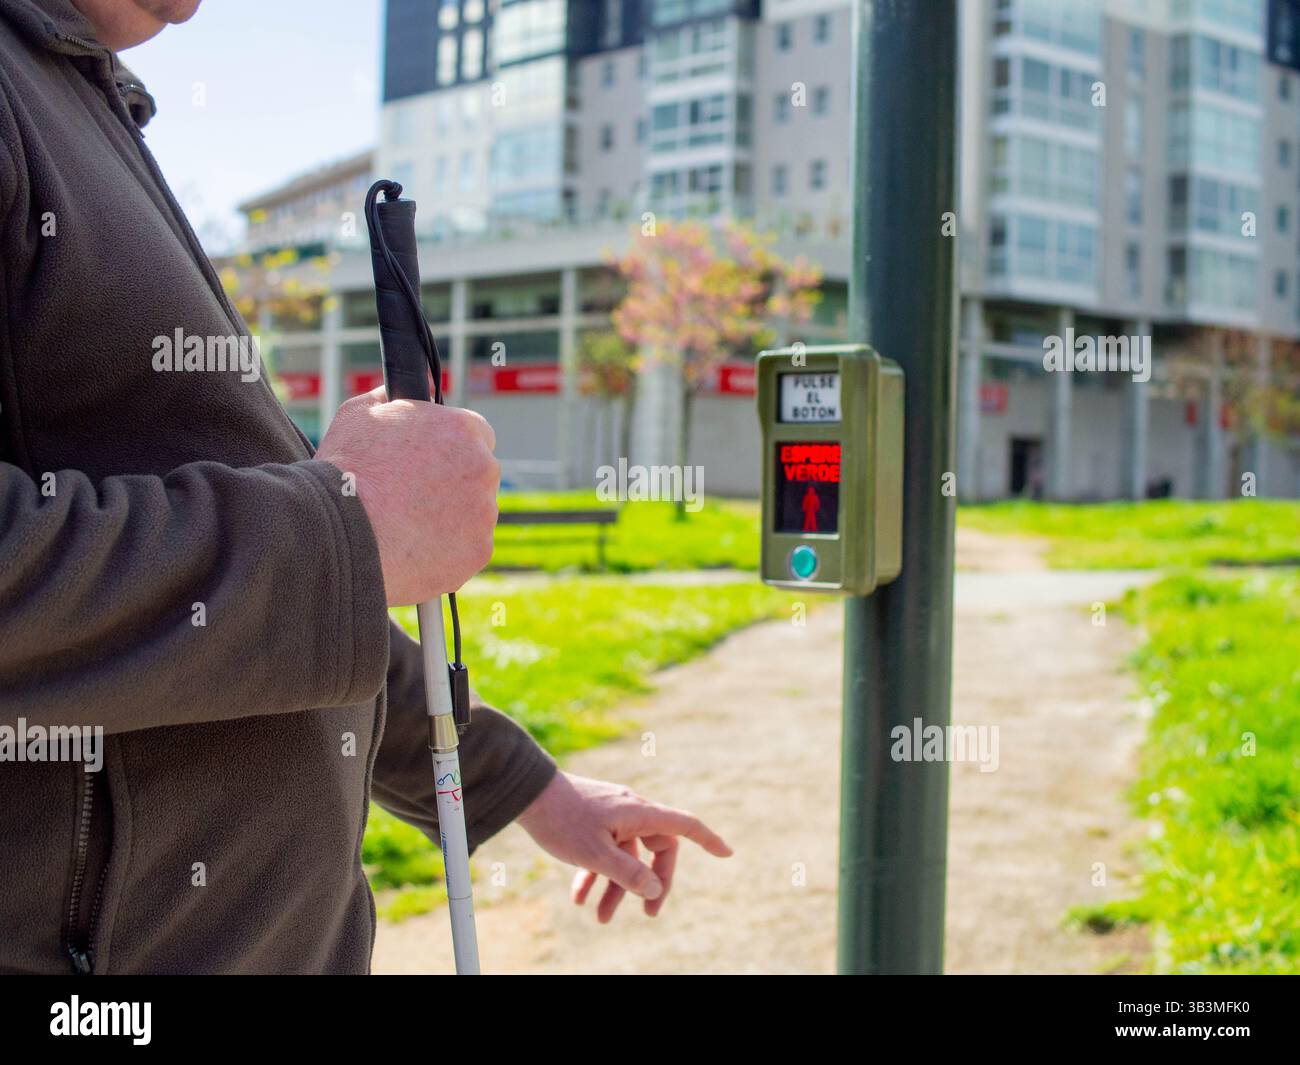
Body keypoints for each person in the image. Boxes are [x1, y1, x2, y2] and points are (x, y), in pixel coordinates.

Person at [0, 0, 730, 975]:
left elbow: (276, 627)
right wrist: (340, 532)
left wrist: (524, 787)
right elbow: (299, 573)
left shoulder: (82, 93)